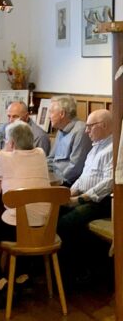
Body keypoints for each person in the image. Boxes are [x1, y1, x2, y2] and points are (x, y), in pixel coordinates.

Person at [0, 120, 52, 304]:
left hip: (17, 227)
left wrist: (1, 182)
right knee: (21, 219)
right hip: (44, 228)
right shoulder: (41, 153)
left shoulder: (5, 157)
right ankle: (22, 276)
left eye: (7, 140)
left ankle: (0, 281)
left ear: (11, 143)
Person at [57, 109, 115, 282]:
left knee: (66, 223)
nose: (86, 130)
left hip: (102, 201)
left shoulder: (114, 148)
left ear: (103, 125)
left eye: (90, 126)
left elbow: (109, 182)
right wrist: (69, 193)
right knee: (53, 213)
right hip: (85, 196)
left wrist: (80, 199)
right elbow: (83, 177)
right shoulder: (96, 147)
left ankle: (74, 273)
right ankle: (60, 269)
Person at [46, 95, 92, 186]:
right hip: (55, 180)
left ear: (62, 114)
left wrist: (56, 182)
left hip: (68, 184)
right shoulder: (60, 129)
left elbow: (75, 167)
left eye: (51, 112)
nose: (48, 117)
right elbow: (51, 159)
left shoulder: (81, 131)